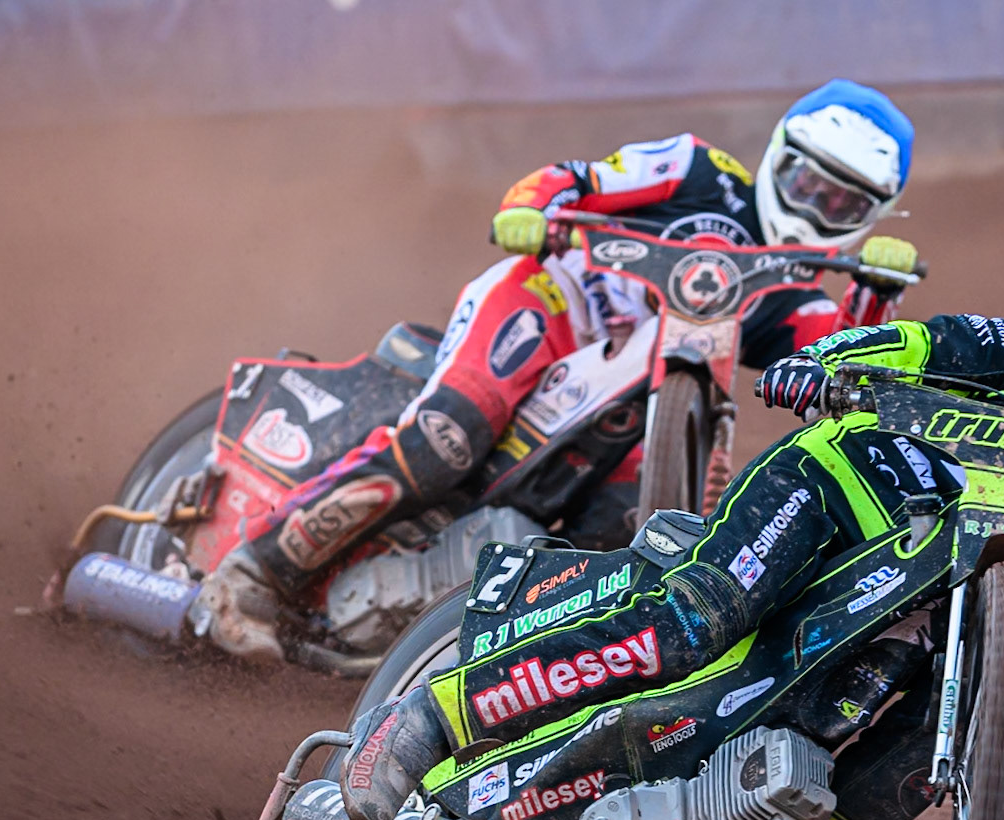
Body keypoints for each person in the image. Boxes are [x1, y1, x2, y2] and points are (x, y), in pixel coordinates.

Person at [336, 265, 1004, 820]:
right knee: (694, 623)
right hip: (828, 490)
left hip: (910, 596)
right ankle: (427, 721)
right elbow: (918, 344)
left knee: (956, 678)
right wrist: (825, 360)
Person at [198, 79, 922, 661]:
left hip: (636, 406)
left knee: (619, 540)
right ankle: (254, 572)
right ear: (776, 155)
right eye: (805, 181)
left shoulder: (795, 290)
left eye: (842, 203)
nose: (815, 207)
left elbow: (837, 366)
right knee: (449, 436)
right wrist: (532, 208)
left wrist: (874, 290)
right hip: (554, 303)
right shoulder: (698, 169)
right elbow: (577, 179)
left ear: (874, 214)